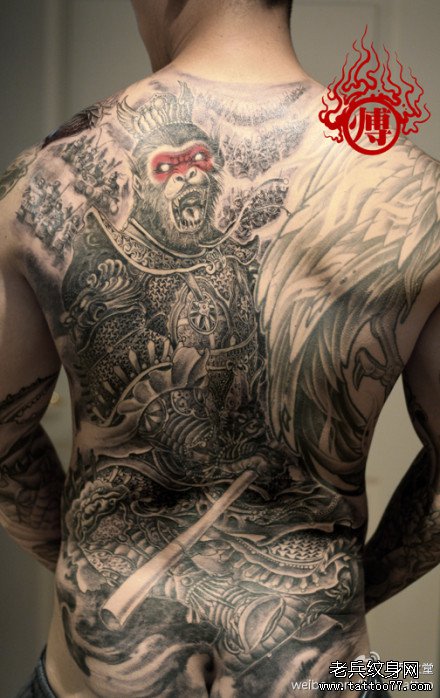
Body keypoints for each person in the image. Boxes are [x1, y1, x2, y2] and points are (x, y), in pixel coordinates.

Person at [0, 1, 439, 696]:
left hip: (92, 678)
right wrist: (350, 592)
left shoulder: (43, 182)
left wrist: (88, 566)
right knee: (405, 677)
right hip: (328, 674)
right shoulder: (418, 196)